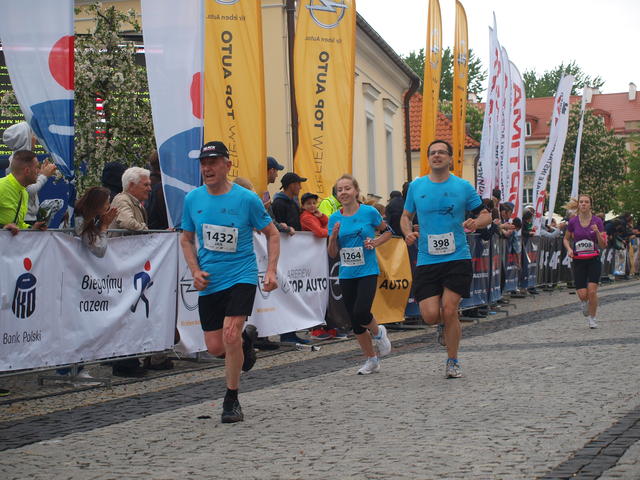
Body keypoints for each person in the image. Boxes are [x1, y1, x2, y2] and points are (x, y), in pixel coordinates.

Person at [180, 140, 279, 423]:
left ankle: (231, 399)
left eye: (213, 162)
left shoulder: (246, 199)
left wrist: (271, 271)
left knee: (230, 334)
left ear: (227, 165)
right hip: (210, 279)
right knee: (215, 347)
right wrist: (194, 270)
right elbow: (186, 239)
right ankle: (247, 343)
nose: (207, 168)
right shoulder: (193, 199)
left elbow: (272, 234)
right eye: (203, 163)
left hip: (241, 275)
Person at [400, 140, 491, 379]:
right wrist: (407, 232)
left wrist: (476, 222)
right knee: (430, 315)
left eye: (442, 152)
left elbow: (486, 215)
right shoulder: (416, 186)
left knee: (450, 309)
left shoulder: (463, 186)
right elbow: (405, 216)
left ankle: (453, 361)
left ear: (450, 158)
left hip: (457, 257)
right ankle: (443, 324)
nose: (437, 155)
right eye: (433, 153)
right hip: (427, 259)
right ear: (428, 158)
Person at [327, 174, 393, 374]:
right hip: (347, 272)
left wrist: (375, 242)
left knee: (361, 312)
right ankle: (371, 360)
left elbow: (388, 231)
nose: (343, 192)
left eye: (347, 188)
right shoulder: (334, 218)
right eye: (340, 190)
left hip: (367, 270)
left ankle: (378, 332)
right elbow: (332, 253)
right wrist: (333, 237)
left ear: (356, 191)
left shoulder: (369, 212)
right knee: (355, 321)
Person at [563, 195, 606, 329]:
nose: (583, 204)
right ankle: (584, 302)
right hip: (579, 260)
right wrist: (569, 249)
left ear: (590, 205)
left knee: (592, 292)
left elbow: (603, 245)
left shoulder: (597, 221)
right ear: (578, 205)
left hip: (593, 259)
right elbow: (566, 239)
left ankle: (592, 318)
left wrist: (597, 232)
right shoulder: (573, 221)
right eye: (581, 202)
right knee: (583, 294)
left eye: (586, 202)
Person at [3, 122, 57, 225]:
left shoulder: (20, 159)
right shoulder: (15, 161)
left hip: (27, 216)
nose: (35, 138)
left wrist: (40, 174)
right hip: (23, 217)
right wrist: (44, 176)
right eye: (32, 134)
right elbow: (28, 190)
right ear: (25, 138)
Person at [0, 150, 49, 235]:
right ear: (27, 171)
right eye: (37, 168)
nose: (38, 172)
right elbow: (8, 226)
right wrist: (3, 228)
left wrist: (32, 228)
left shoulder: (24, 192)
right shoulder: (1, 186)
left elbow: (18, 225)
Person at [75, 187, 118, 258]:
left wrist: (101, 223)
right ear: (98, 204)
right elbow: (99, 251)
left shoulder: (89, 218)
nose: (109, 206)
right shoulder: (80, 221)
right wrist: (104, 227)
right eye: (107, 203)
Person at [109, 167, 152, 231]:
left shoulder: (131, 201)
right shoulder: (122, 200)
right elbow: (128, 223)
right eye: (146, 185)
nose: (150, 189)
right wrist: (146, 230)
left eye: (149, 185)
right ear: (131, 185)